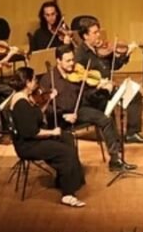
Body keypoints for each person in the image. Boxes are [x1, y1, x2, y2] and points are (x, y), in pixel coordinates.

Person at [39, 45, 137, 172]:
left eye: (73, 59)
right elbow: (45, 107)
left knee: (105, 120)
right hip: (59, 118)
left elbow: (86, 95)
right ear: (58, 61)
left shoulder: (77, 74)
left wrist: (98, 88)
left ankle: (115, 160)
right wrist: (63, 115)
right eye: (68, 61)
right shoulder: (48, 79)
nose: (72, 63)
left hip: (79, 110)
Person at [8, 67, 86, 207]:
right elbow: (33, 132)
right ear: (27, 82)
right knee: (65, 151)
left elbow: (37, 113)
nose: (37, 82)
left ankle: (70, 179)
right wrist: (53, 133)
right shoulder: (21, 104)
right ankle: (67, 194)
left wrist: (49, 99)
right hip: (28, 145)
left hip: (33, 139)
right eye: (34, 80)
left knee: (67, 137)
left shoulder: (25, 97)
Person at [74, 19, 143, 143]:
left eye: (98, 31)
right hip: (94, 93)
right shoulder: (80, 55)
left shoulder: (100, 48)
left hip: (109, 87)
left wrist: (126, 54)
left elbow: (115, 66)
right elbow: (79, 78)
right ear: (85, 36)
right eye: (95, 33)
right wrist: (99, 84)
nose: (99, 35)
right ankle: (112, 136)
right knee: (108, 105)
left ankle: (132, 133)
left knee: (135, 94)